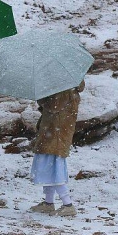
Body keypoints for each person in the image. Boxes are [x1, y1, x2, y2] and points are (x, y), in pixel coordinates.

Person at [29, 80, 85, 217]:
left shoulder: (65, 89)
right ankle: (48, 203)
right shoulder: (68, 87)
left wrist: (41, 96)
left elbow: (53, 106)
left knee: (55, 171)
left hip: (55, 136)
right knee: (49, 170)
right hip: (53, 134)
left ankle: (68, 205)